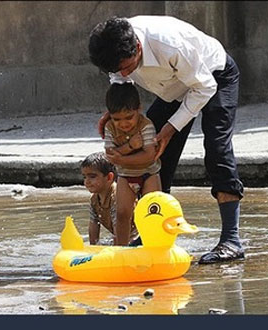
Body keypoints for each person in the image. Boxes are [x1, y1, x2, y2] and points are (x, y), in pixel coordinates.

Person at [88, 15, 245, 263]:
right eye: (116, 69)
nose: (124, 73)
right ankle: (154, 232)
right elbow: (120, 79)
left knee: (217, 148)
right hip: (175, 88)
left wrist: (171, 129)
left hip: (214, 76)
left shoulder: (170, 45)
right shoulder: (115, 43)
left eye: (129, 67)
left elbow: (203, 87)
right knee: (152, 158)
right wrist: (114, 111)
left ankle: (231, 240)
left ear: (137, 47)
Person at [103, 82, 162, 246]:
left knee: (153, 211)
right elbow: (110, 155)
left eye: (129, 117)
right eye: (117, 119)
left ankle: (155, 245)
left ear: (139, 109)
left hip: (148, 174)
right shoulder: (109, 128)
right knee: (122, 214)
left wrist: (121, 157)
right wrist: (130, 147)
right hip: (125, 176)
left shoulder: (146, 125)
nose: (124, 124)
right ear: (109, 116)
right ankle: (121, 249)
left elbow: (149, 156)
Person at [80, 152, 140, 246]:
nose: (87, 181)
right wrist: (92, 250)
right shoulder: (94, 199)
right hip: (124, 240)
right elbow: (93, 227)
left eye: (92, 176)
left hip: (137, 239)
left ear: (109, 177)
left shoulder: (117, 196)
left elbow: (119, 231)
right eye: (84, 177)